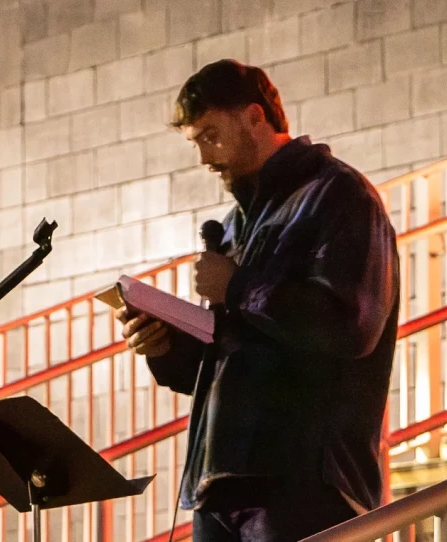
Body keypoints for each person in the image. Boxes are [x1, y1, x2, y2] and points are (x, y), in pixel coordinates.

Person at [117, 59, 400, 541]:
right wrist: (165, 347)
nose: (204, 158)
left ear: (254, 117)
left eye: (210, 135)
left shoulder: (340, 195)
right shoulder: (234, 225)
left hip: (305, 482)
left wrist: (238, 286)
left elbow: (352, 326)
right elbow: (232, 354)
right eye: (195, 142)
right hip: (223, 485)